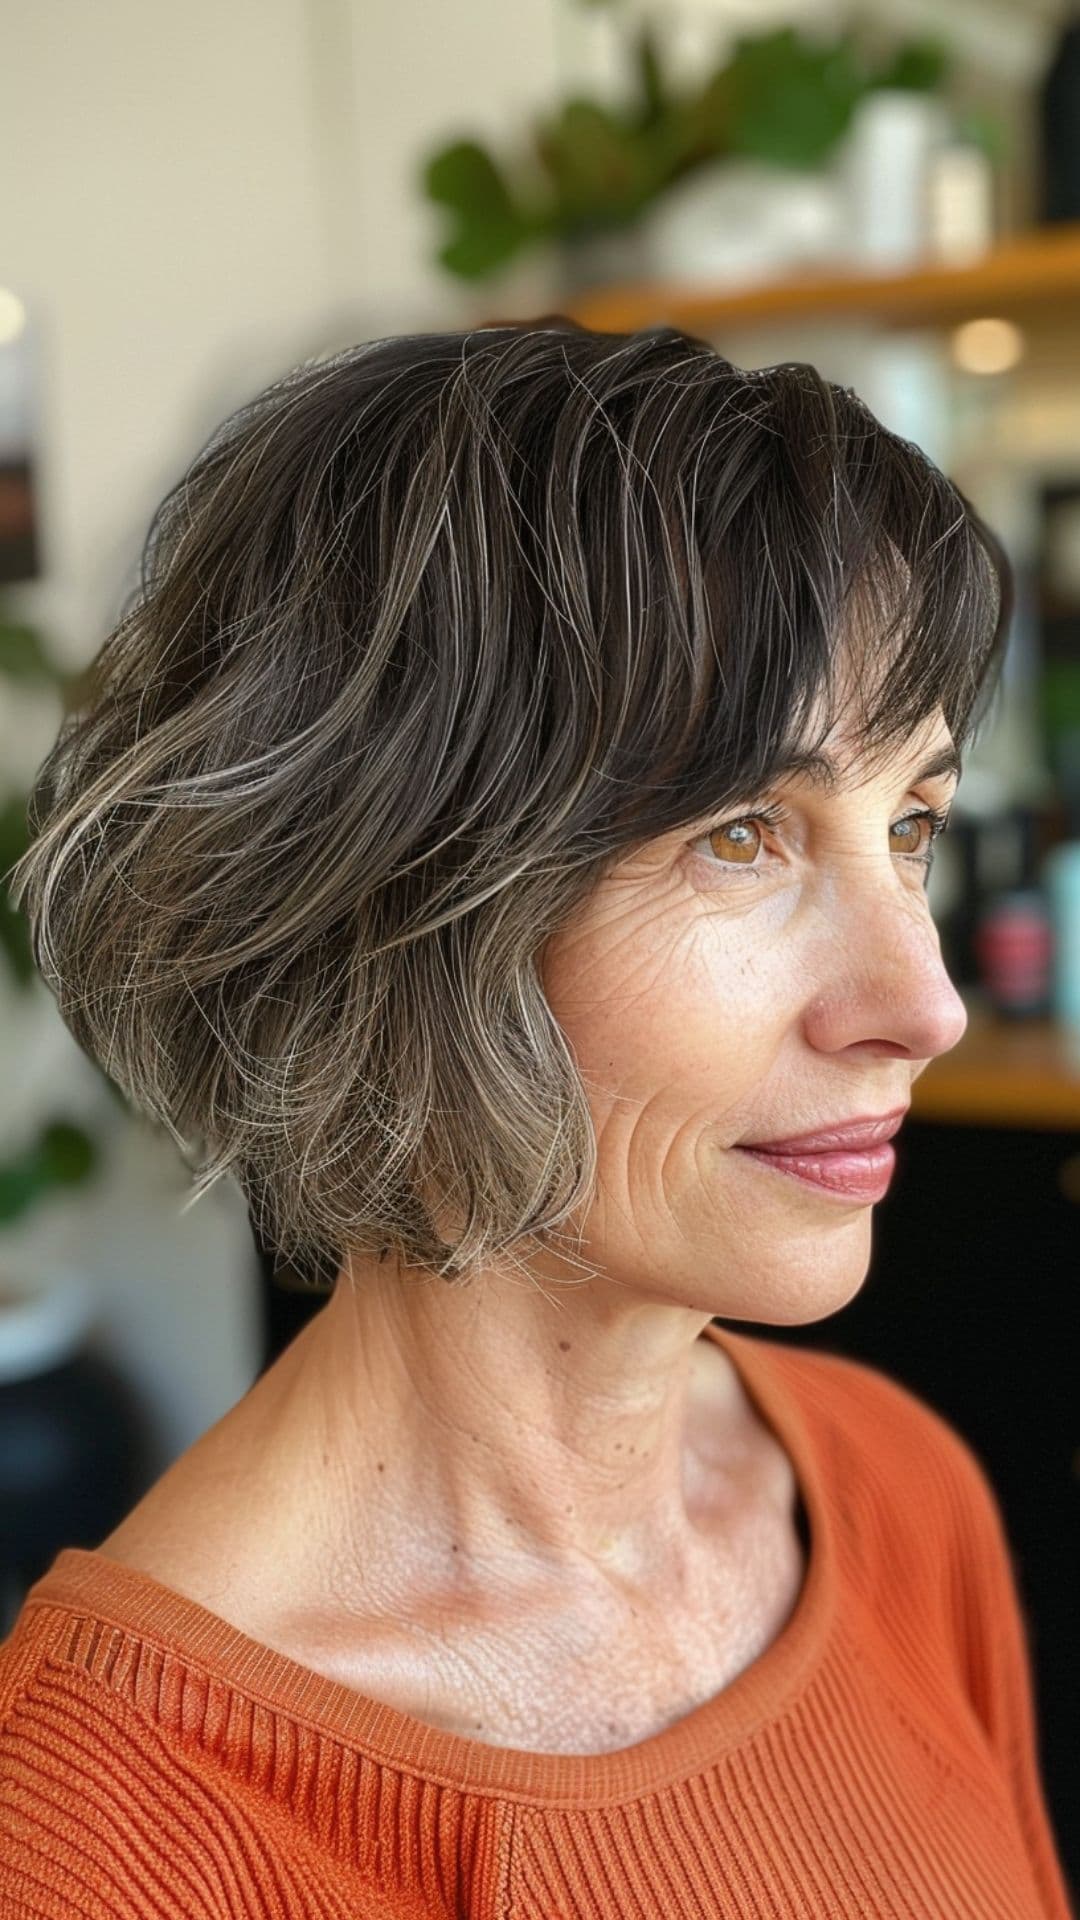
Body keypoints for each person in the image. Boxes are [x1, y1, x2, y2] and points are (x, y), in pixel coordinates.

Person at [0, 323, 1071, 1920]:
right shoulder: (103, 1838)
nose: (920, 1003)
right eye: (740, 836)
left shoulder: (898, 1494)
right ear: (384, 908)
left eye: (909, 820)